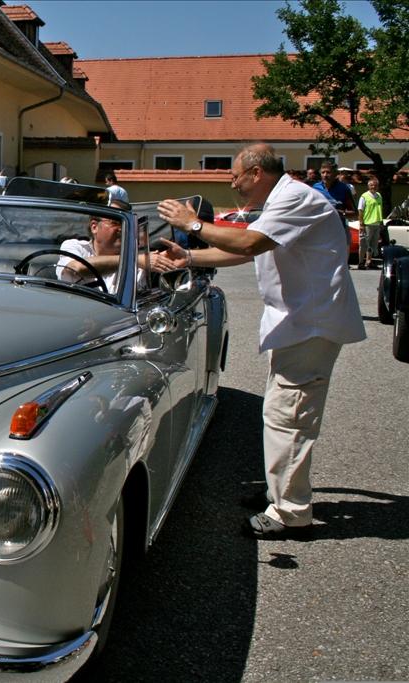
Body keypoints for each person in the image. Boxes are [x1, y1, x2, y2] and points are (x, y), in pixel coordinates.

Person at [157, 143, 366, 540]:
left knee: (290, 419)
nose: (233, 184)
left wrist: (193, 224)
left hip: (310, 327)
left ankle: (290, 514)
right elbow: (248, 249)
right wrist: (189, 258)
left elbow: (249, 244)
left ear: (256, 172)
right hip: (300, 327)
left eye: (235, 176)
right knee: (280, 414)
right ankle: (281, 494)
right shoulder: (282, 201)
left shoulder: (294, 198)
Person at [55, 200, 172, 293]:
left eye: (127, 225)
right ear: (94, 227)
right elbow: (77, 269)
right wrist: (133, 261)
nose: (122, 229)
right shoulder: (75, 246)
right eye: (115, 222)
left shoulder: (139, 260)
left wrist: (170, 263)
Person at [356, 177, 384, 269]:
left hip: (376, 224)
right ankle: (360, 263)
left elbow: (380, 210)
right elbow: (360, 210)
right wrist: (361, 224)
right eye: (371, 185)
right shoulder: (364, 196)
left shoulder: (379, 195)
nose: (374, 187)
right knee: (364, 244)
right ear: (368, 186)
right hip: (367, 224)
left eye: (375, 185)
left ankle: (369, 262)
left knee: (373, 245)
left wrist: (381, 222)